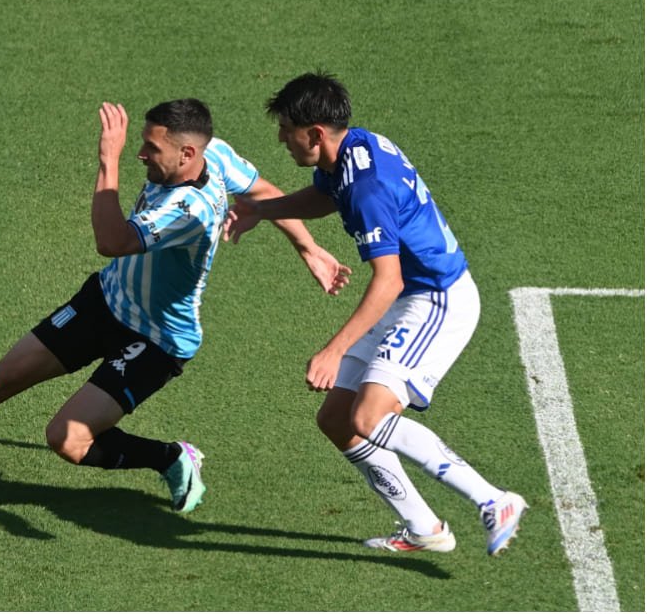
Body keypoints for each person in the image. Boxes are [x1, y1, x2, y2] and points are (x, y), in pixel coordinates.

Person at [0, 99, 349, 512]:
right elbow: (261, 190)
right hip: (104, 302)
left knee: (67, 440)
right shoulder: (214, 153)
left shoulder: (189, 213)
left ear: (187, 152)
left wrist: (107, 159)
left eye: (151, 150)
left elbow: (110, 239)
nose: (141, 156)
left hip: (158, 340)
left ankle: (171, 457)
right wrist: (310, 250)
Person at [225, 72, 527, 554]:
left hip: (436, 301)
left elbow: (389, 281)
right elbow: (325, 197)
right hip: (411, 295)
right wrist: (266, 209)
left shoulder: (367, 187)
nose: (281, 138)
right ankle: (424, 528)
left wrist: (333, 349)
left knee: (366, 416)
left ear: (316, 132)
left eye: (286, 129)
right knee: (337, 419)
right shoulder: (354, 148)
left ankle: (493, 499)